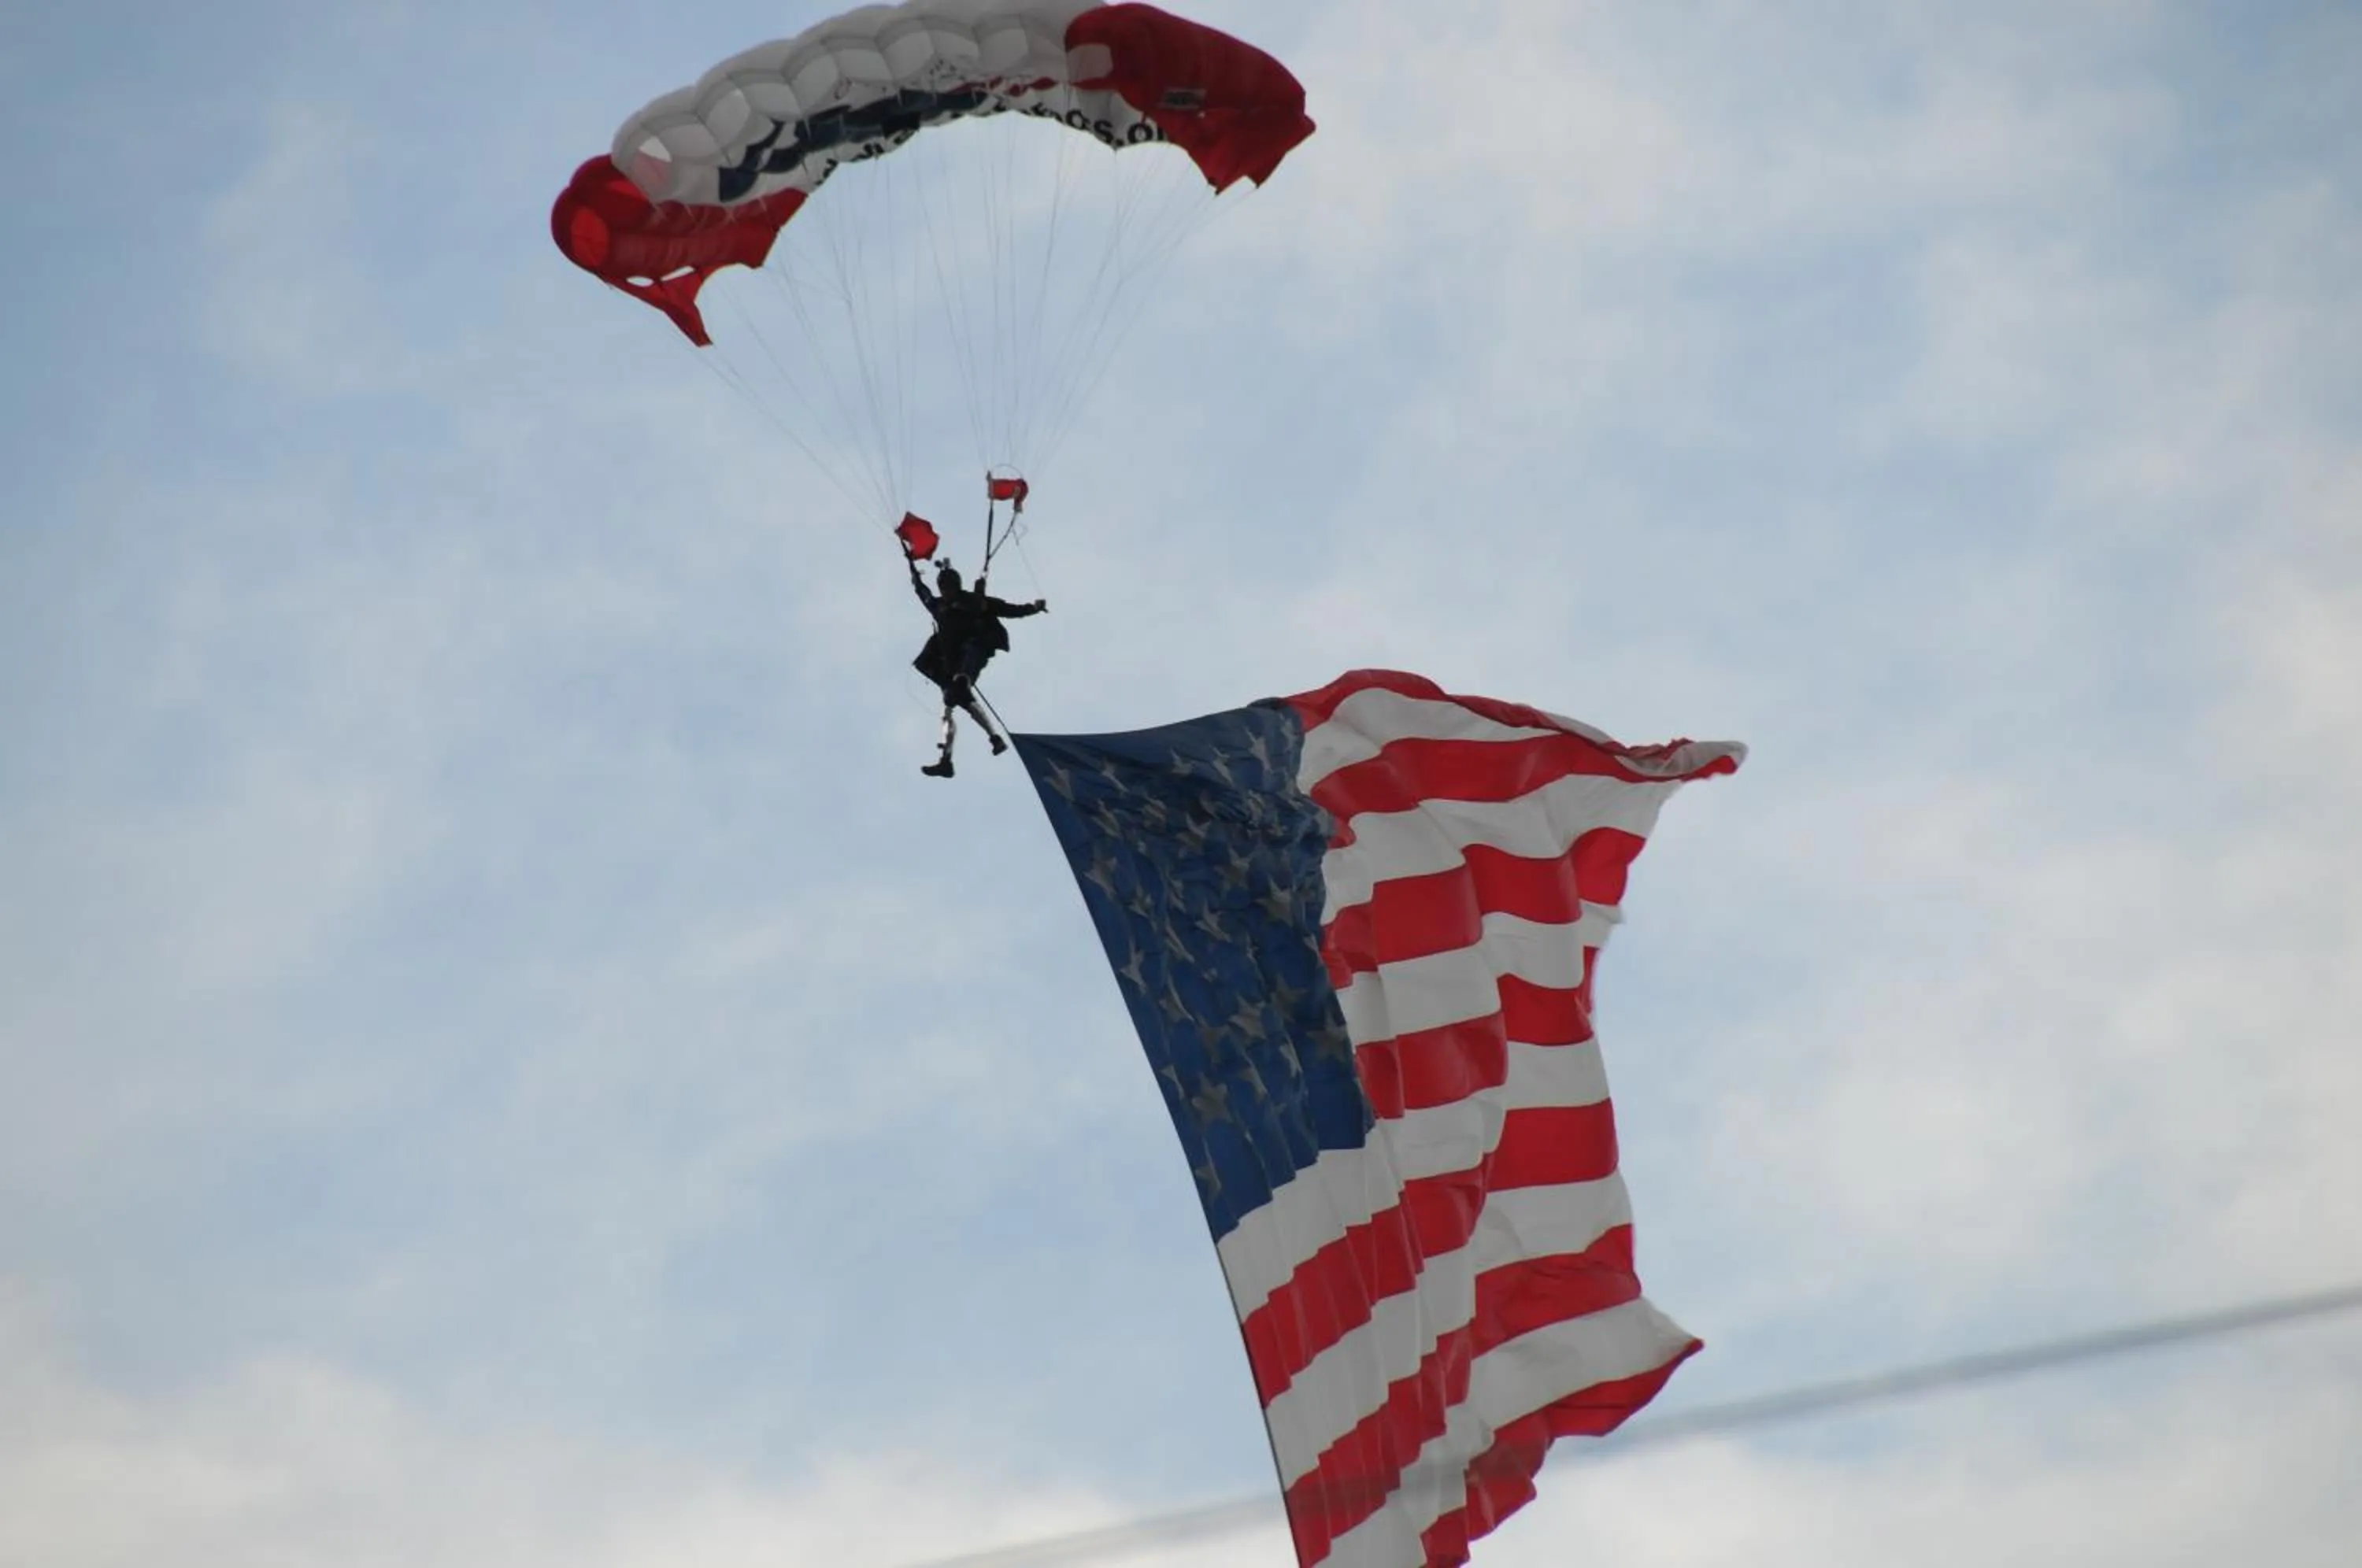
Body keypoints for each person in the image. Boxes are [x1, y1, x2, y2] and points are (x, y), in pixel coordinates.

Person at [909, 557, 1046, 778]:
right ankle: (951, 758)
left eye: (950, 588)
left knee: (961, 683)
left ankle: (992, 735)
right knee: (951, 701)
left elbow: (1008, 609)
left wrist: (1033, 608)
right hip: (948, 664)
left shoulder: (975, 602)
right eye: (943, 588)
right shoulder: (938, 606)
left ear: (957, 586)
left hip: (972, 653)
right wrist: (913, 569)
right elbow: (921, 592)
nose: (946, 592)